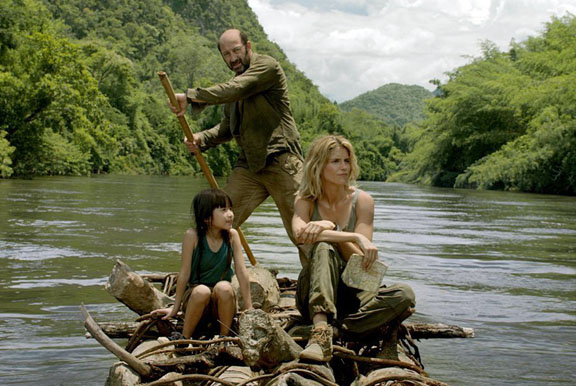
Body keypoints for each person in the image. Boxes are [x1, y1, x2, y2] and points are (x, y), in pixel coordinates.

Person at [169, 28, 304, 263]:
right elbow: (227, 128)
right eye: (226, 54)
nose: (232, 59)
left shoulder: (267, 67)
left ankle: (324, 289)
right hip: (250, 167)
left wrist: (190, 96)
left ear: (248, 47)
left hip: (282, 161)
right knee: (215, 223)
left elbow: (236, 89)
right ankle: (209, 282)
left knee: (302, 232)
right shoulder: (233, 86)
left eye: (236, 51)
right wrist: (201, 138)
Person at [292, 135, 416, 362]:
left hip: (352, 292)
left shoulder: (363, 201)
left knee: (405, 294)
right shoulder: (306, 199)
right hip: (313, 292)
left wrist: (333, 229)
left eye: (346, 161)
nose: (344, 167)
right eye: (336, 161)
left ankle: (340, 329)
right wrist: (352, 235)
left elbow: (361, 260)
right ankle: (320, 332)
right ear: (319, 165)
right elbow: (300, 234)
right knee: (322, 247)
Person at [152, 188, 252, 340]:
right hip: (196, 298)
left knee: (224, 287)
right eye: (223, 210)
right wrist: (175, 307)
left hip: (222, 303)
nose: (230, 214)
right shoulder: (192, 236)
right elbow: (184, 274)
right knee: (202, 291)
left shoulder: (232, 236)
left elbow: (242, 272)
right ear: (206, 217)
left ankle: (224, 339)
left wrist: (249, 307)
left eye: (230, 209)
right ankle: (184, 338)